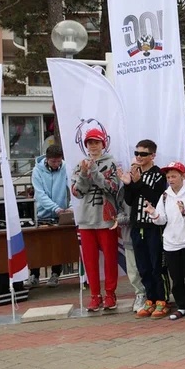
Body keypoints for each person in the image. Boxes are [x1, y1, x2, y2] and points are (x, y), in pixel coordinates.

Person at [70, 128, 121, 312]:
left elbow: (113, 187)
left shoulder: (111, 163)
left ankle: (110, 294)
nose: (93, 146)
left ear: (103, 144)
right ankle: (94, 296)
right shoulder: (79, 165)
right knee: (90, 261)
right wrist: (84, 173)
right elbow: (77, 191)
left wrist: (95, 172)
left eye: (96, 142)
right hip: (85, 219)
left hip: (106, 218)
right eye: (89, 143)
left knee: (109, 258)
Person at [146, 162, 185, 321]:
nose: (170, 179)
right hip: (170, 243)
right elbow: (161, 220)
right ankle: (181, 306)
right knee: (176, 278)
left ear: (183, 176)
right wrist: (153, 214)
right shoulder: (165, 196)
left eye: (174, 176)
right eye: (168, 176)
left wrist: (184, 212)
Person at [122, 140, 169, 319]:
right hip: (137, 225)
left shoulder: (158, 175)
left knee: (157, 264)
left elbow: (155, 197)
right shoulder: (135, 172)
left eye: (143, 154)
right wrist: (128, 184)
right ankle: (150, 298)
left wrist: (138, 182)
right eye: (137, 153)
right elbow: (129, 201)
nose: (139, 157)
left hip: (153, 227)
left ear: (152, 156)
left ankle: (162, 300)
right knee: (143, 266)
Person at [28, 144, 69, 287]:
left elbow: (71, 187)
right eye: (53, 162)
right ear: (46, 159)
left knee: (57, 245)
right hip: (42, 213)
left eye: (59, 161)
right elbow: (39, 193)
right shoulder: (37, 171)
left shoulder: (66, 168)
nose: (57, 164)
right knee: (37, 245)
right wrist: (55, 207)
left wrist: (69, 207)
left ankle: (55, 274)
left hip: (62, 213)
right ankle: (34, 275)